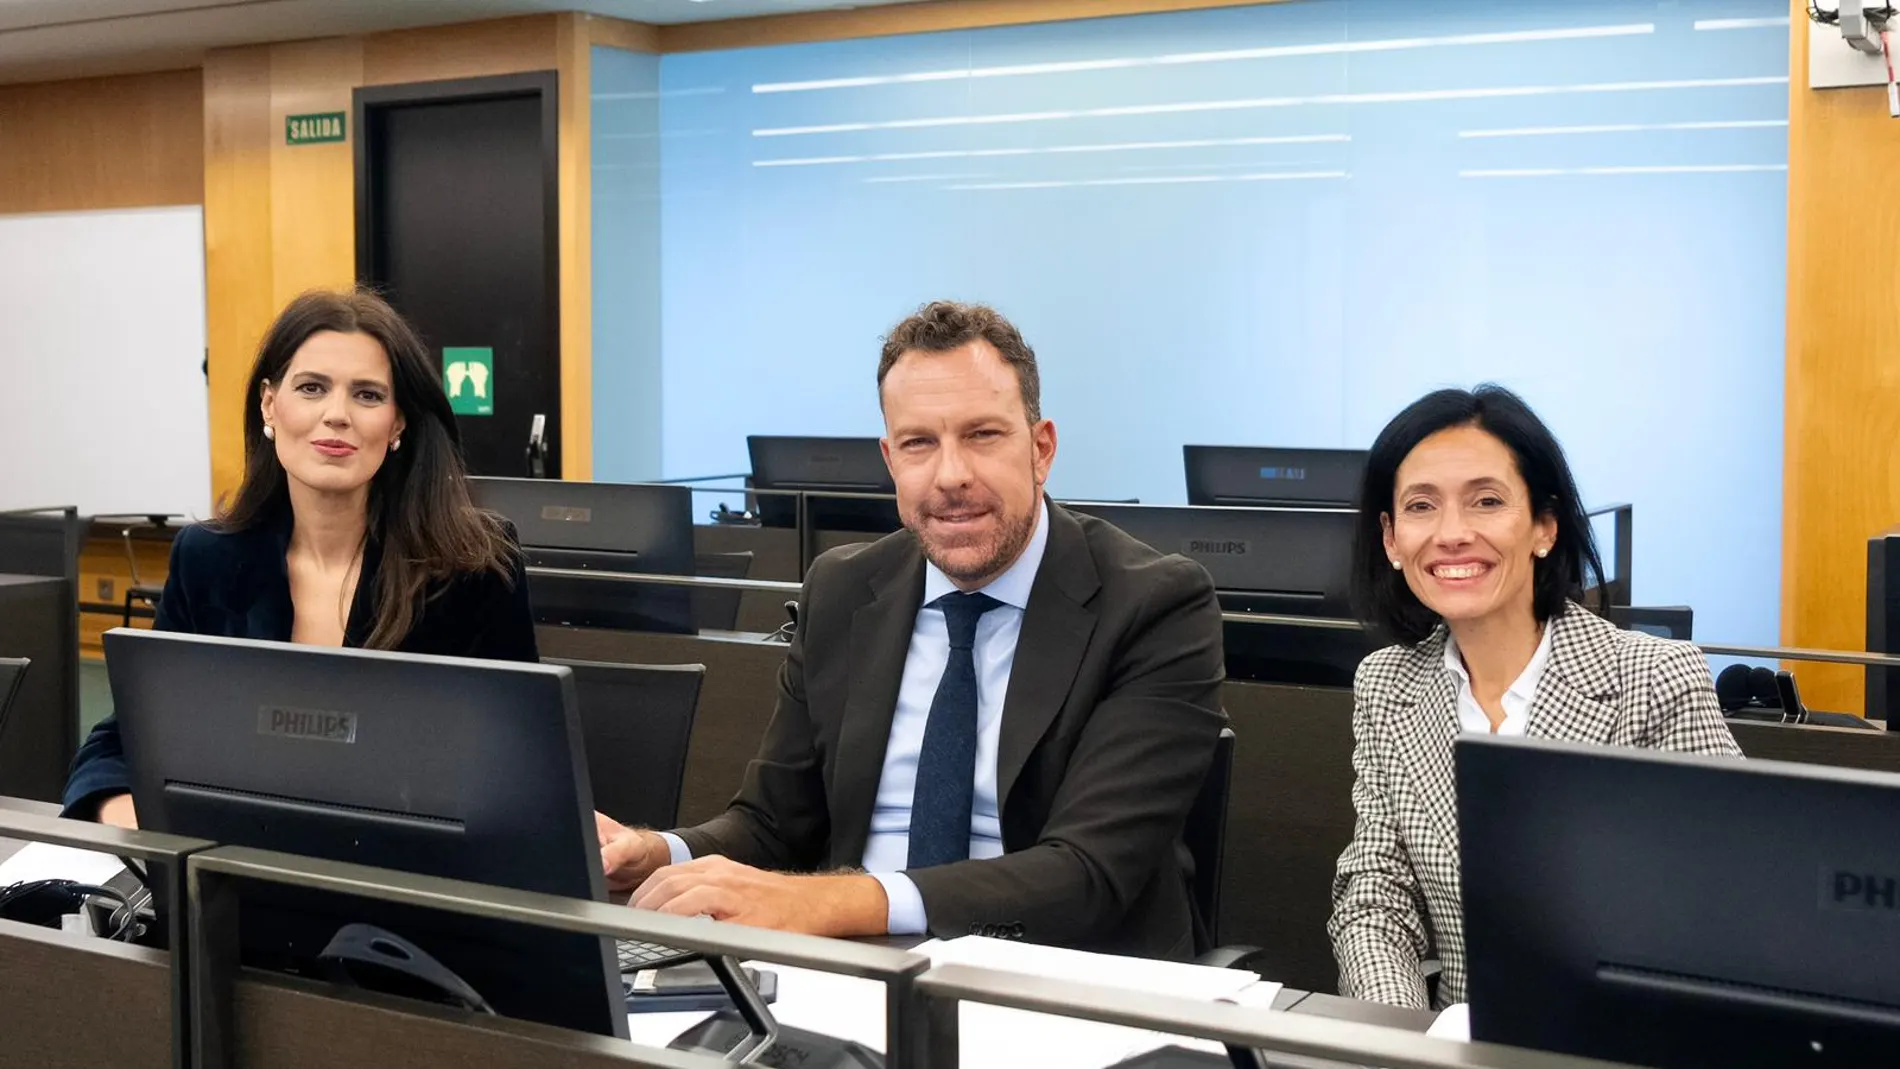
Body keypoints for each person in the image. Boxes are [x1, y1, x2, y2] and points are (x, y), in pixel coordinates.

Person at [597, 301, 1226, 957]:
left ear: (1042, 449)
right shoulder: (841, 590)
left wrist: (831, 901)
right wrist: (657, 853)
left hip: (1064, 981)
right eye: (919, 443)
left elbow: (1087, 872)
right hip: (850, 972)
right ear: (891, 458)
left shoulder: (1154, 603)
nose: (950, 475)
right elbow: (774, 822)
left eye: (983, 435)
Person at [1327, 385, 1741, 1009]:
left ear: (1545, 527)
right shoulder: (1387, 685)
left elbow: (1728, 909)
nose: (1451, 534)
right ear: (1390, 539)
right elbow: (1373, 898)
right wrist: (1410, 1041)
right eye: (1420, 507)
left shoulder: (1654, 678)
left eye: (1486, 502)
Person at [63, 288, 537, 827]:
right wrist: (123, 810)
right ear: (270, 404)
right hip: (240, 872)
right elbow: (129, 736)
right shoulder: (210, 559)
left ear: (398, 423)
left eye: (367, 395)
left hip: (406, 882)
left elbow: (520, 765)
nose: (336, 416)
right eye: (312, 388)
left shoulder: (473, 566)